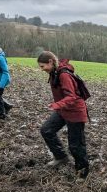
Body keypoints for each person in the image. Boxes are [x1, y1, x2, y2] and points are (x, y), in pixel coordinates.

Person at [38, 51, 89, 179]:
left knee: (76, 146)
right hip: (63, 110)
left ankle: (82, 173)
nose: (41, 69)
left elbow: (71, 96)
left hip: (75, 112)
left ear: (50, 62)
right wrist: (59, 106)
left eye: (42, 66)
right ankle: (61, 157)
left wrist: (56, 105)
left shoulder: (64, 75)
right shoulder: (54, 72)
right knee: (46, 130)